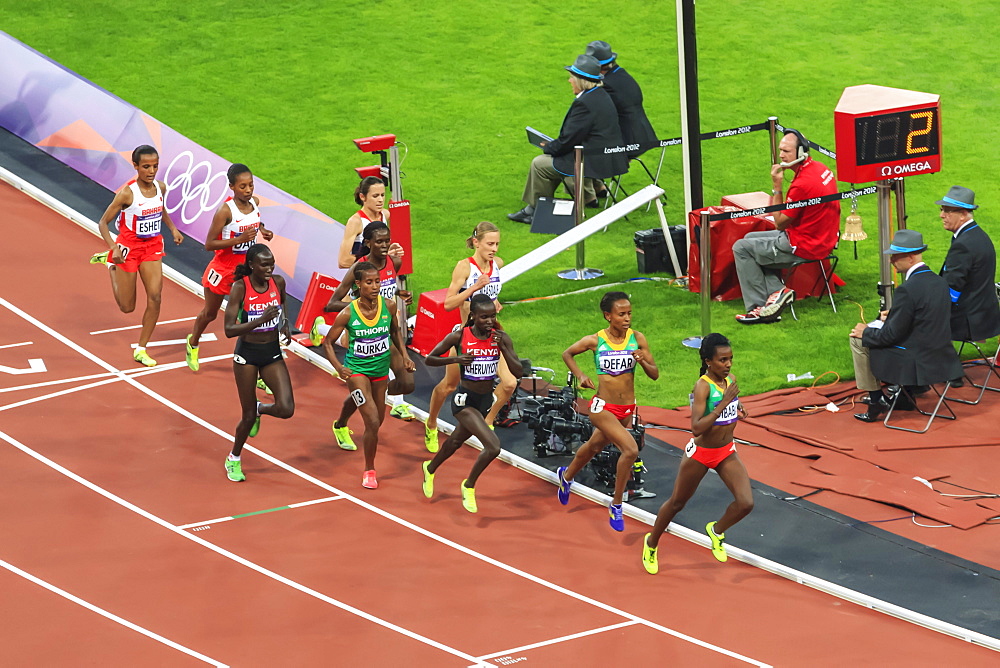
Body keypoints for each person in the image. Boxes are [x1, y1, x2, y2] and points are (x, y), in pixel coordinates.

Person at [641, 333, 753, 574]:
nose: (728, 364)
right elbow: (696, 427)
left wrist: (738, 405)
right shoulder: (702, 386)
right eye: (723, 360)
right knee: (677, 503)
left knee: (746, 503)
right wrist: (725, 403)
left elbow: (729, 400)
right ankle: (651, 543)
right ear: (708, 361)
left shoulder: (729, 379)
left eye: (730, 359)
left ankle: (716, 530)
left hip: (726, 452)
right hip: (701, 453)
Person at [555, 291, 659, 532]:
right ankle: (617, 503)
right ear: (608, 316)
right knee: (630, 449)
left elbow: (655, 375)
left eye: (629, 313)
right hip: (602, 406)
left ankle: (567, 476)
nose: (627, 318)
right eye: (621, 314)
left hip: (626, 409)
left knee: (594, 446)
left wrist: (643, 361)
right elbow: (567, 353)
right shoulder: (595, 341)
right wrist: (581, 375)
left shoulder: (638, 339)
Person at [312, 222, 416, 449]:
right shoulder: (359, 268)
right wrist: (361, 305)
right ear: (367, 243)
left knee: (407, 384)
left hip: (385, 334)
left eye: (387, 240)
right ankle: (341, 424)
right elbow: (331, 304)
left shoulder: (393, 262)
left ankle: (373, 391)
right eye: (379, 241)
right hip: (363, 332)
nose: (385, 245)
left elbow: (385, 288)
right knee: (366, 395)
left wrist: (398, 293)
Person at [421, 294, 523, 513]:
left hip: (484, 401)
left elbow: (518, 371)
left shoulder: (501, 338)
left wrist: (503, 349)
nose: (489, 321)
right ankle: (468, 485)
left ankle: (429, 468)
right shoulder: (459, 336)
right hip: (464, 401)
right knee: (493, 446)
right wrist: (456, 359)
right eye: (484, 317)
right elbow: (430, 358)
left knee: (455, 442)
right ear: (473, 316)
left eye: (492, 316)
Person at [849, 229, 963, 422]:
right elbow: (926, 317)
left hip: (916, 360)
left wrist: (866, 332)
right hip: (941, 355)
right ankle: (904, 397)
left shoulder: (907, 289)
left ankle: (877, 400)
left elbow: (890, 336)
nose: (891, 261)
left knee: (858, 341)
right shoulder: (939, 282)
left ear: (910, 258)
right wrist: (894, 317)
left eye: (895, 256)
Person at [732, 129, 840, 324]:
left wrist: (777, 187)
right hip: (824, 239)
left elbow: (779, 223)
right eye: (781, 150)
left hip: (804, 245)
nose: (781, 155)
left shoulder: (802, 185)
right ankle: (778, 292)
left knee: (741, 248)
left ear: (800, 153)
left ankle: (758, 309)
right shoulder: (821, 168)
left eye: (786, 151)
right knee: (750, 241)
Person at [424, 222, 516, 452]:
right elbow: (448, 303)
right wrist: (474, 288)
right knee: (448, 386)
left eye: (497, 244)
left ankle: (487, 421)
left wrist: (494, 303)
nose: (494, 249)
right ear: (476, 242)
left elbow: (491, 297)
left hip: (490, 336)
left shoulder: (498, 265)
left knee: (509, 383)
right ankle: (431, 423)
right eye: (490, 244)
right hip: (466, 338)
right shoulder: (464, 267)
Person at [321, 261, 414, 489]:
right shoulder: (347, 313)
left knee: (378, 421)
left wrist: (404, 356)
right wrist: (339, 367)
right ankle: (369, 470)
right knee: (372, 421)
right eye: (369, 283)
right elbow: (328, 343)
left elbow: (394, 331)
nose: (375, 287)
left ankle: (340, 423)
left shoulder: (389, 306)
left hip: (380, 371)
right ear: (359, 284)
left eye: (378, 282)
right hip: (357, 371)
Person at [89, 145, 184, 366]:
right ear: (135, 166)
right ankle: (110, 265)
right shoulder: (127, 193)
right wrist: (113, 247)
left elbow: (161, 210)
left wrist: (172, 229)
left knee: (155, 296)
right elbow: (103, 222)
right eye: (146, 167)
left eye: (155, 166)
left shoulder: (161, 187)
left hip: (152, 247)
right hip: (128, 249)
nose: (151, 171)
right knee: (127, 307)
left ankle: (141, 348)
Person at [507, 55, 628, 225]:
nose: (569, 80)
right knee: (551, 160)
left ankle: (535, 210)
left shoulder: (585, 104)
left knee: (539, 164)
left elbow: (568, 140)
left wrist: (548, 147)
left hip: (590, 160)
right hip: (606, 157)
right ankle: (582, 198)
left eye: (572, 77)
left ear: (581, 81)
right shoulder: (600, 95)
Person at [186, 163, 272, 372]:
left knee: (251, 317)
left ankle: (257, 365)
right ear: (232, 187)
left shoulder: (255, 202)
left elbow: (255, 221)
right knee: (210, 313)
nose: (248, 190)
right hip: (223, 270)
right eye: (242, 187)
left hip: (247, 272)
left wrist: (263, 230)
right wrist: (239, 239)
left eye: (251, 185)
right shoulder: (225, 211)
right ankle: (193, 343)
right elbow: (209, 244)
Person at [222, 244, 294, 482]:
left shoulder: (278, 282)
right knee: (247, 415)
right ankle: (234, 458)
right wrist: (260, 320)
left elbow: (282, 304)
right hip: (247, 355)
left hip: (271, 351)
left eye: (271, 263)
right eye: (264, 264)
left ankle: (262, 409)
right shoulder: (240, 288)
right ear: (252, 265)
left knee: (286, 409)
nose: (269, 268)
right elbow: (229, 330)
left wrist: (284, 323)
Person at [935, 186, 1000, 342]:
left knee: (915, 320)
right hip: (984, 313)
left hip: (967, 319)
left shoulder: (963, 244)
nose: (941, 215)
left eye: (947, 211)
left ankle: (935, 364)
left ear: (963, 214)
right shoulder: (978, 235)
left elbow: (952, 287)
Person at [584, 40, 658, 160]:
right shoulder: (622, 75)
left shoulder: (606, 84)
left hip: (627, 143)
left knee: (580, 156)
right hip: (644, 136)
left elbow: (596, 116)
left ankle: (594, 180)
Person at [336, 176, 402, 269]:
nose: (380, 200)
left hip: (382, 277)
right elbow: (343, 261)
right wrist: (378, 259)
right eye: (375, 196)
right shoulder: (356, 222)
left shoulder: (385, 214)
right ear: (362, 196)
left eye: (382, 195)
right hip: (365, 279)